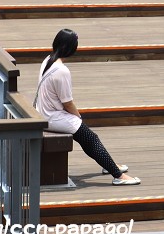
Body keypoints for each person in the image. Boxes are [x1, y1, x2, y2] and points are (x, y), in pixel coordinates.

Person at [33, 28, 141, 186]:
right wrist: (78, 116)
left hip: (44, 111)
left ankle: (109, 164)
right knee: (90, 138)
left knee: (86, 137)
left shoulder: (47, 60)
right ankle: (118, 175)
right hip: (52, 116)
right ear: (71, 48)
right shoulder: (62, 71)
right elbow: (67, 103)